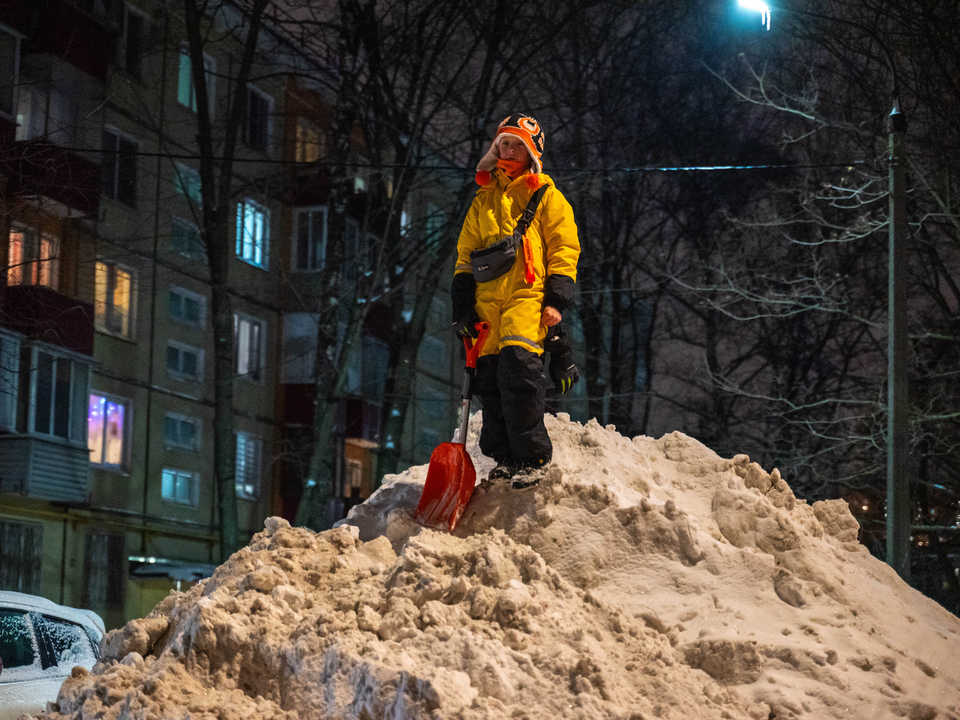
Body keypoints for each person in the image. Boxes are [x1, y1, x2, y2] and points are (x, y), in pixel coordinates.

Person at [451, 113, 581, 488]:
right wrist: (462, 305)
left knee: (519, 371)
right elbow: (464, 255)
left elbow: (563, 248)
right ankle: (504, 456)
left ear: (532, 152)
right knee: (488, 381)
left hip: (528, 295)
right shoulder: (482, 200)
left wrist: (556, 298)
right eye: (503, 143)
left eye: (517, 145)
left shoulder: (546, 196)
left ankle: (532, 456)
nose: (508, 150)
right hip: (485, 300)